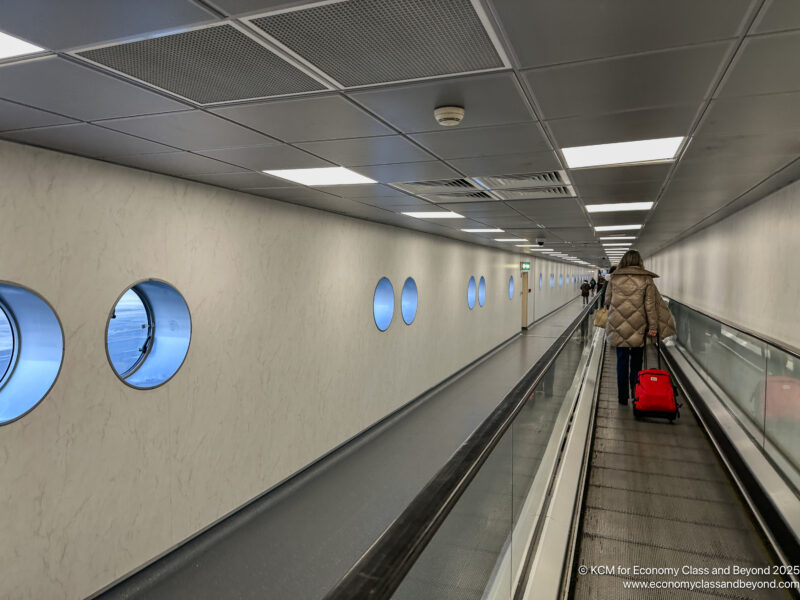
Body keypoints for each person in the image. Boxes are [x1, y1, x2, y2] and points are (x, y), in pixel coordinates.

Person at [605, 250, 661, 405]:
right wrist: (653, 326)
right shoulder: (646, 279)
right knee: (637, 361)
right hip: (639, 326)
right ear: (639, 261)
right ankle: (636, 394)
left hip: (618, 326)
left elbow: (608, 300)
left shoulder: (614, 278)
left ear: (624, 261)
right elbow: (650, 305)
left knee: (621, 361)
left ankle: (622, 398)